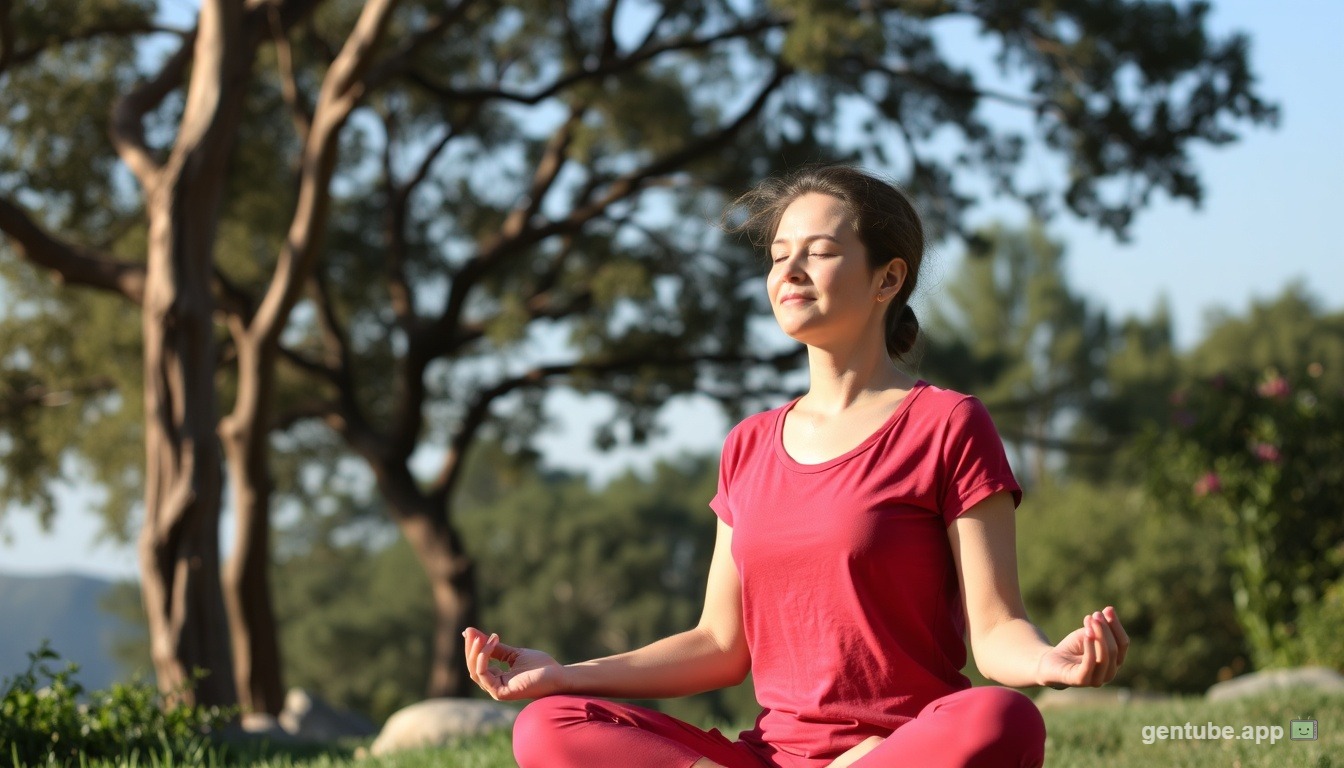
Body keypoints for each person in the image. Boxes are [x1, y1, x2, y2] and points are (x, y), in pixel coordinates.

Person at [463, 165, 1129, 767]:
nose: (791, 271)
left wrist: (1049, 661)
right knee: (549, 725)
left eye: (820, 253)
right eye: (780, 256)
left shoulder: (947, 424)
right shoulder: (748, 444)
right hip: (770, 756)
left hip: (902, 750)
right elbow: (719, 643)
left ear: (888, 279)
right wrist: (565, 675)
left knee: (1003, 719)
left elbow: (996, 629)